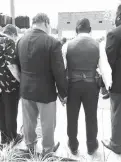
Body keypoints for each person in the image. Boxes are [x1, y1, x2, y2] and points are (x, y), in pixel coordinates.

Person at [16, 13, 67, 155]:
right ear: (46, 23)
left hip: (26, 90)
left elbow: (18, 66)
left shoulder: (21, 41)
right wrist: (63, 94)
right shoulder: (52, 42)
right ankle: (47, 150)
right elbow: (59, 72)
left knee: (28, 122)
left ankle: (30, 146)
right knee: (47, 124)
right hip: (46, 92)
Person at [62, 18, 112, 155]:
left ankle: (73, 145)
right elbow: (105, 68)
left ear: (76, 30)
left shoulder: (67, 45)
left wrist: (60, 90)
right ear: (90, 30)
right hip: (91, 86)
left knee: (72, 116)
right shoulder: (97, 45)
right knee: (91, 116)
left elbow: (62, 68)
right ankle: (91, 145)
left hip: (72, 86)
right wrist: (108, 86)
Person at [0, 24, 23, 149]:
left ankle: (4, 137)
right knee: (11, 111)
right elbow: (12, 65)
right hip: (9, 85)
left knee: (1, 111)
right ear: (13, 34)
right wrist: (21, 80)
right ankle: (13, 137)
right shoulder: (8, 41)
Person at [102, 4, 121, 154]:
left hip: (118, 84)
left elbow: (108, 63)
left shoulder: (114, 34)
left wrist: (105, 85)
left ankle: (116, 144)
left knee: (117, 114)